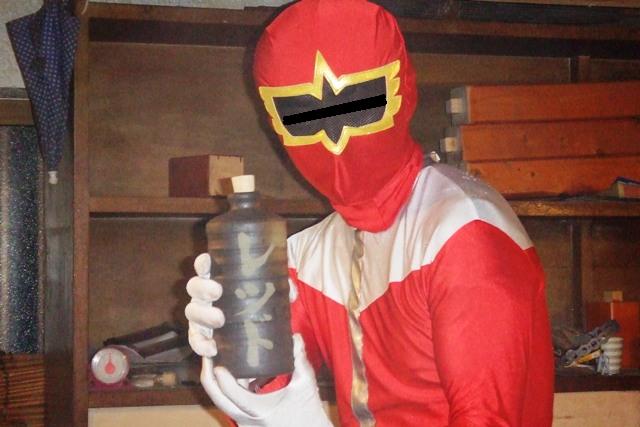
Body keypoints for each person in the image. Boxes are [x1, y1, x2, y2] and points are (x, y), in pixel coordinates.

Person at [185, 0, 555, 426]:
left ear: (403, 90)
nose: (335, 137)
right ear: (275, 121)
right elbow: (269, 392)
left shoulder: (463, 233)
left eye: (358, 103)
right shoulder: (310, 255)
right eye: (305, 115)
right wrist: (236, 358)